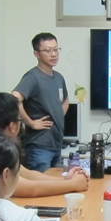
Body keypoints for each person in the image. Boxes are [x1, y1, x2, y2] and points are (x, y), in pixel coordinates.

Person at [0, 92, 89, 197]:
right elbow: (29, 189)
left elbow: (27, 174)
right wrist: (73, 184)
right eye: (20, 120)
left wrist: (66, 180)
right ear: (13, 126)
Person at [12, 32, 68, 172]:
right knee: (42, 183)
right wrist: (31, 123)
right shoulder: (32, 77)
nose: (53, 54)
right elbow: (14, 99)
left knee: (56, 183)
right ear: (36, 54)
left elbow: (66, 99)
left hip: (56, 144)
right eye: (48, 50)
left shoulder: (59, 77)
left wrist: (58, 114)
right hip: (39, 147)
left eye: (56, 49)